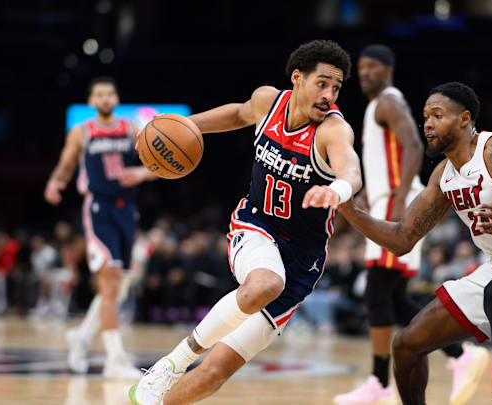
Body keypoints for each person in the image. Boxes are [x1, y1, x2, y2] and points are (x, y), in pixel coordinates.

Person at [129, 39, 362, 405]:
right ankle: (172, 363)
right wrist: (185, 125)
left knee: (213, 374)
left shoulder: (333, 130)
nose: (329, 95)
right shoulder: (268, 101)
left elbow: (351, 167)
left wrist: (340, 189)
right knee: (264, 283)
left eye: (336, 87)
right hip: (255, 226)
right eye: (322, 83)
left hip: (302, 262)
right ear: (298, 78)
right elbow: (238, 114)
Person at [338, 82, 492, 405]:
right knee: (406, 345)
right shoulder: (443, 176)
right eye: (425, 116)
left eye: (437, 115)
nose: (427, 124)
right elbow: (402, 239)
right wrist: (350, 209)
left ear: (464, 119)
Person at [335, 46, 488, 405]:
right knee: (394, 297)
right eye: (363, 67)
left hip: (396, 200)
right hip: (388, 196)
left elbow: (414, 146)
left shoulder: (389, 102)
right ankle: (460, 355)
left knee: (376, 292)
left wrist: (400, 198)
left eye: (374, 66)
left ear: (389, 69)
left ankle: (379, 382)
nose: (366, 72)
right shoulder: (379, 106)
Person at [44, 77, 157, 378]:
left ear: (116, 98)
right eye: (99, 94)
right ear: (92, 101)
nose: (105, 98)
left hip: (128, 211)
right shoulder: (82, 131)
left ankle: (81, 337)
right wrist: (57, 181)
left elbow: (159, 164)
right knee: (110, 281)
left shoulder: (132, 129)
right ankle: (114, 360)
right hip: (99, 210)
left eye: (110, 92)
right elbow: (67, 163)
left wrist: (142, 173)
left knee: (118, 289)